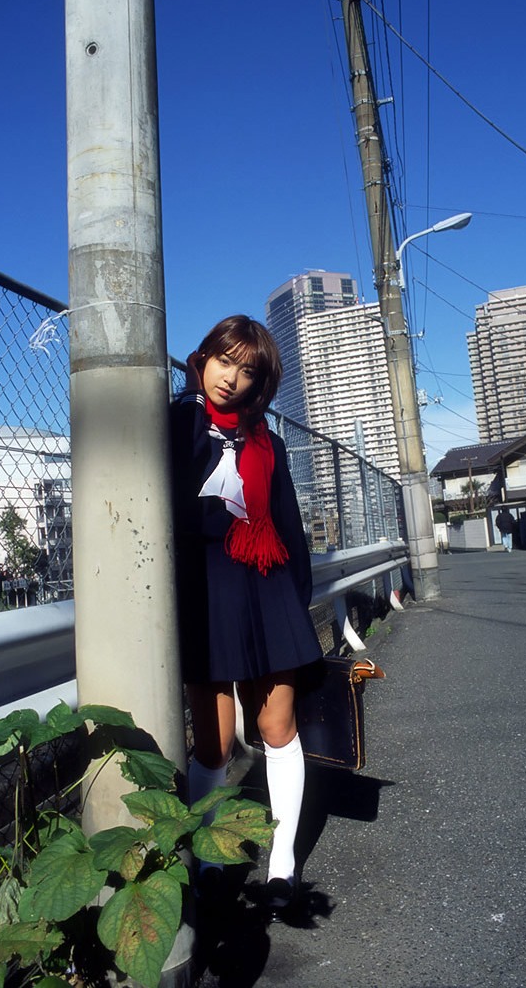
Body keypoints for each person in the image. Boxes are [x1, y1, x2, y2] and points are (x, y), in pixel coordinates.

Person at [170, 315, 322, 917]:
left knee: (277, 729)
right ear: (202, 359)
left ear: (261, 383)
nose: (231, 378)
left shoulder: (268, 444)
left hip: (266, 588)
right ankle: (206, 859)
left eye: (247, 370)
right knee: (213, 742)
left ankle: (282, 863)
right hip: (204, 593)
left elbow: (288, 527)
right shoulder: (176, 424)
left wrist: (296, 610)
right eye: (223, 360)